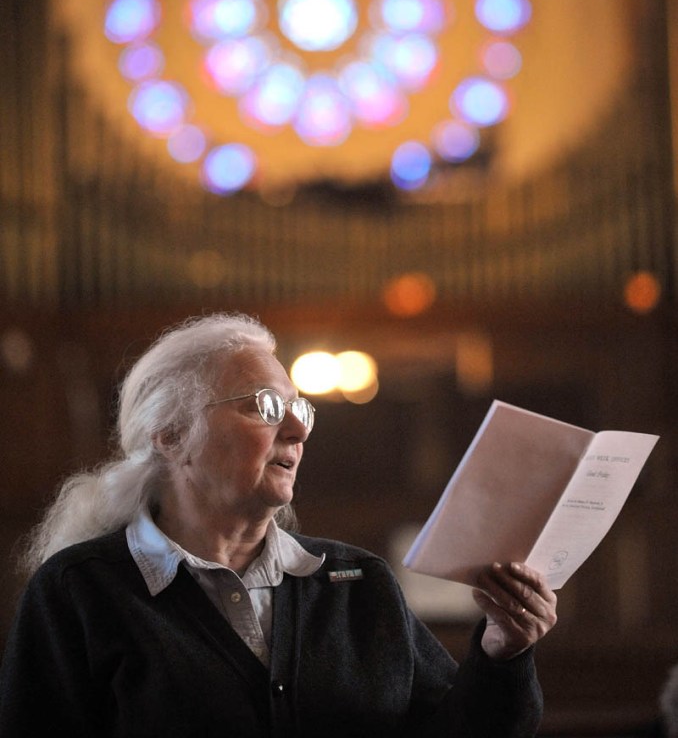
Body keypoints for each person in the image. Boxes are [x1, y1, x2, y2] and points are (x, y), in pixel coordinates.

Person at [0, 312, 557, 737]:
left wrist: (503, 650)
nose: (297, 428)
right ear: (170, 435)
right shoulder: (78, 592)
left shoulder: (358, 582)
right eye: (264, 406)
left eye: (301, 407)